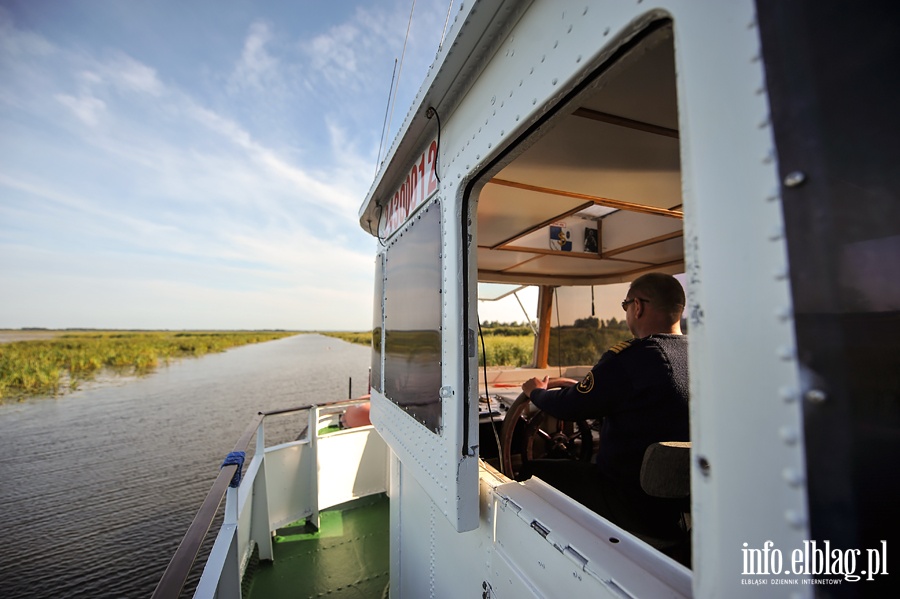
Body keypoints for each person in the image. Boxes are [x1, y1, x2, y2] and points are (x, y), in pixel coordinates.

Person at [521, 272, 689, 539]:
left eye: (625, 306)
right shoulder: (701, 355)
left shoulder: (633, 359)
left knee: (530, 471)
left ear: (637, 306)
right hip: (682, 503)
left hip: (627, 498)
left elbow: (571, 405)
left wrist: (537, 394)